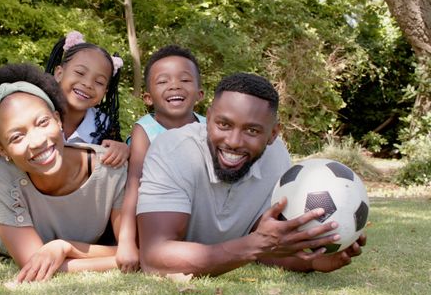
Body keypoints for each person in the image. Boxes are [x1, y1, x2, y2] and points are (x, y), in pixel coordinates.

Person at [136, 72, 367, 276]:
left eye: (252, 130)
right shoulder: (173, 150)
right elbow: (154, 257)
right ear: (208, 119)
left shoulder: (276, 157)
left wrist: (312, 260)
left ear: (273, 133)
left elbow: (267, 248)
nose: (234, 142)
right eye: (223, 125)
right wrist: (254, 245)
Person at [0, 63, 127, 283]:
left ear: (58, 119)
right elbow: (34, 263)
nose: (37, 141)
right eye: (17, 137)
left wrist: (64, 247)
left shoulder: (110, 167)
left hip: (55, 234)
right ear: (2, 152)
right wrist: (119, 260)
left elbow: (128, 249)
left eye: (42, 122)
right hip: (6, 231)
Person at [0, 31, 129, 185]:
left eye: (99, 82)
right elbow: (5, 136)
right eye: (80, 73)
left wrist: (122, 149)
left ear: (105, 92)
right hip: (25, 194)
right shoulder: (32, 106)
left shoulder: (103, 125)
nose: (88, 84)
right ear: (59, 73)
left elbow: (113, 155)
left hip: (75, 199)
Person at [115, 45, 205, 272]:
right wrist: (126, 242)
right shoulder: (145, 130)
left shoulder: (209, 127)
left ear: (199, 93)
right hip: (157, 212)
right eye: (163, 81)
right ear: (147, 97)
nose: (174, 85)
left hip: (199, 212)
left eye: (185, 80)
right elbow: (134, 182)